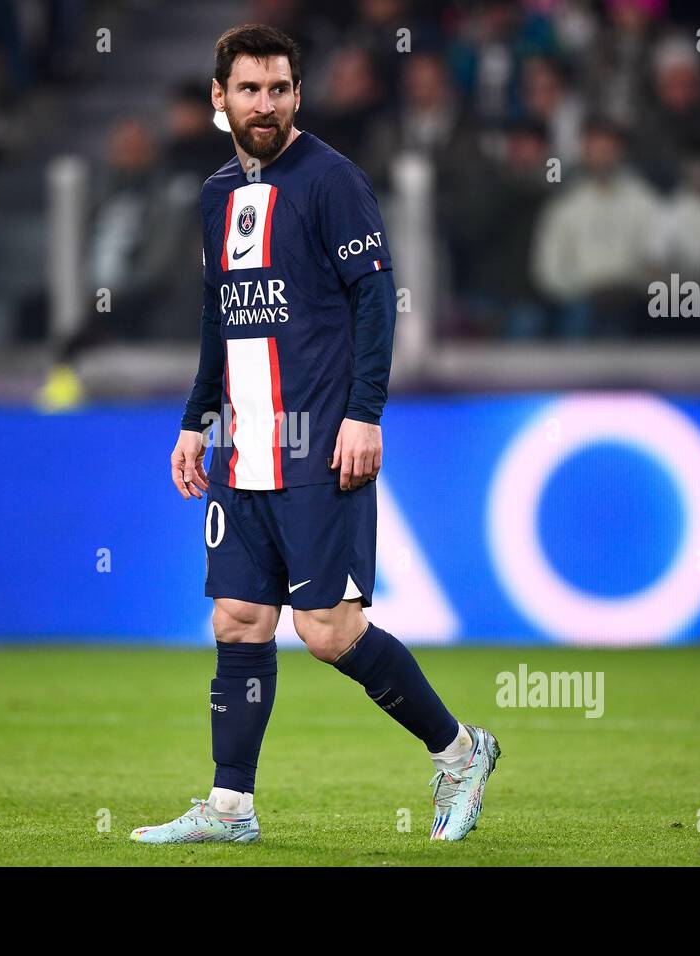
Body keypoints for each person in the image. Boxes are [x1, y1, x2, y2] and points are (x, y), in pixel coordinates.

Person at [131, 23, 501, 846]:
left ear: (298, 94)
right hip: (241, 441)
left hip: (318, 443)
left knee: (328, 631)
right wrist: (196, 419)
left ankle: (460, 752)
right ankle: (231, 808)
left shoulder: (332, 181)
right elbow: (219, 317)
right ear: (219, 99)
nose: (265, 104)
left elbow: (376, 298)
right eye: (250, 89)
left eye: (280, 88)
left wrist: (366, 412)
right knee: (237, 618)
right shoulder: (217, 193)